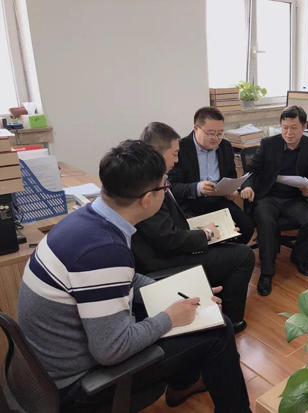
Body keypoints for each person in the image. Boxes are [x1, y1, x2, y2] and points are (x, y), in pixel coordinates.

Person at [17, 140, 251, 412]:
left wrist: (185, 290)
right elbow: (111, 349)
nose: (167, 190)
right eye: (165, 186)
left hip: (50, 365)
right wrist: (169, 318)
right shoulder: (104, 251)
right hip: (78, 387)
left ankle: (183, 384)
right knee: (217, 330)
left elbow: (128, 278)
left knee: (196, 317)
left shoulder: (89, 218)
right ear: (147, 199)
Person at [133, 122, 254, 333]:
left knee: (233, 234)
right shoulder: (148, 186)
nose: (176, 160)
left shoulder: (149, 176)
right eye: (174, 154)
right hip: (163, 260)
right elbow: (168, 239)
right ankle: (230, 322)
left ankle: (215, 307)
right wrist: (206, 234)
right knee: (244, 255)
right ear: (158, 154)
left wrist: (205, 231)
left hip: (169, 244)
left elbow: (168, 226)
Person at [240, 106, 308, 296]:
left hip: (294, 199)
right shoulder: (268, 144)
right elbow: (253, 171)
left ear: (304, 126)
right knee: (266, 221)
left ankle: (299, 257)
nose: (289, 133)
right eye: (285, 127)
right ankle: (267, 272)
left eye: (294, 128)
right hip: (268, 197)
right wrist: (247, 186)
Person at [167, 107, 255, 245]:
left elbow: (231, 175)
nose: (216, 138)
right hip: (190, 204)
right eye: (211, 133)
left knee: (246, 227)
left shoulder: (225, 146)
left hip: (218, 200)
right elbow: (173, 186)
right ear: (196, 129)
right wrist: (198, 188)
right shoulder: (181, 148)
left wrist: (231, 190)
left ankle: (232, 254)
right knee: (208, 237)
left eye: (220, 133)